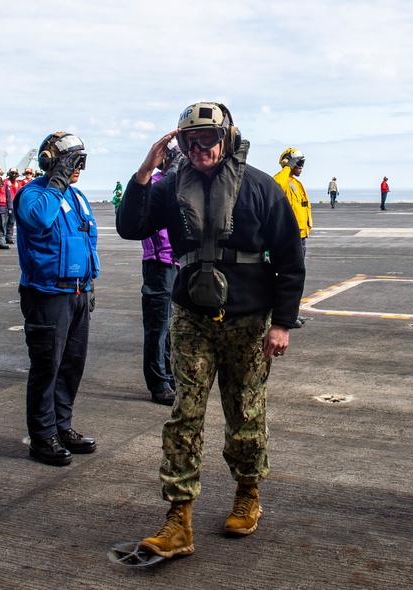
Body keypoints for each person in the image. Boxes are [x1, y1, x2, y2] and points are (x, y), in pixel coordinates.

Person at [116, 102, 305, 557]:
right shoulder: (168, 187)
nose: (200, 149)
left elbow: (289, 258)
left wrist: (281, 324)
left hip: (248, 319)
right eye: (189, 141)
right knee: (185, 414)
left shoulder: (260, 187)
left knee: (246, 412)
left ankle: (247, 493)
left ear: (227, 137)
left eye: (208, 139)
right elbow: (130, 226)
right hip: (191, 317)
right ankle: (178, 520)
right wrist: (146, 170)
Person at [14, 131, 100, 466]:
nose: (76, 168)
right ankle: (42, 436)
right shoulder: (33, 195)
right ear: (51, 162)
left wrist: (90, 284)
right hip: (47, 295)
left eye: (79, 161)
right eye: (70, 161)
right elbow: (38, 221)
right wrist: (57, 180)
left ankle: (62, 427)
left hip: (77, 293)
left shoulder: (77, 197)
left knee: (71, 366)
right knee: (47, 367)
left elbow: (87, 240)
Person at [140, 142, 182, 406]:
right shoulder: (155, 185)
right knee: (158, 326)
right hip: (160, 263)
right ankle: (159, 382)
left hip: (178, 262)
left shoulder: (177, 184)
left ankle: (170, 374)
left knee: (173, 326)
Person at [273, 148, 312, 329]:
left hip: (300, 237)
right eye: (299, 163)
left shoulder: (296, 183)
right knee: (286, 278)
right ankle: (285, 315)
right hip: (289, 238)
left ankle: (292, 312)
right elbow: (277, 185)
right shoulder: (283, 180)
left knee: (295, 279)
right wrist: (287, 167)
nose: (301, 167)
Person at [4, 168, 22, 244]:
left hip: (14, 206)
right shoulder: (5, 182)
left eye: (15, 173)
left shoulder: (18, 184)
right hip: (5, 205)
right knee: (4, 223)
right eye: (12, 173)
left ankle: (9, 237)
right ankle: (3, 238)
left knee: (11, 222)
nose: (13, 175)